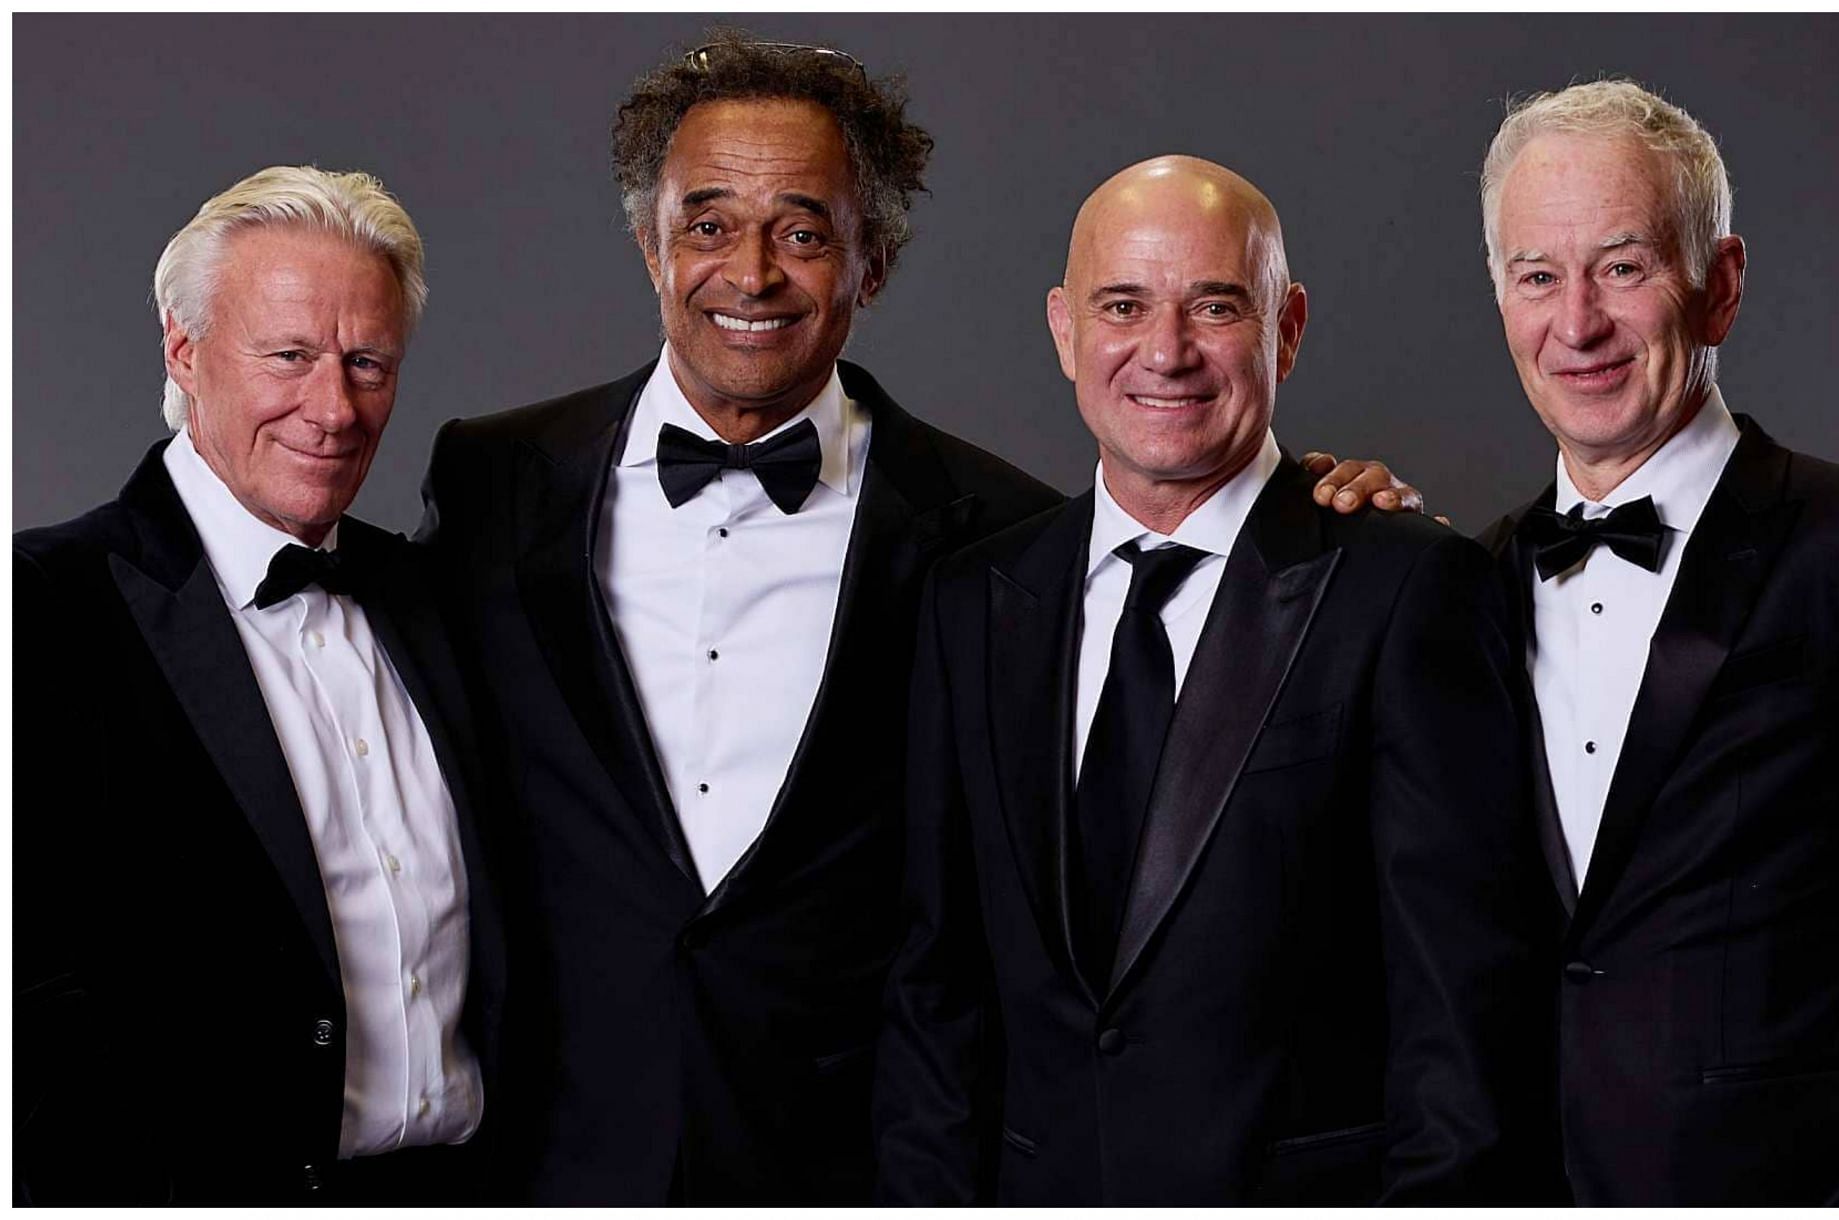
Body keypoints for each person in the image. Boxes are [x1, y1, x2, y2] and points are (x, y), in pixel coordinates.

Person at [414, 35, 1061, 1204]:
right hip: (538, 1159)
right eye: (708, 224)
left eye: (804, 230)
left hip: (848, 1166)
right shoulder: (492, 481)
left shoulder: (1002, 534)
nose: (751, 272)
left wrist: (1309, 508)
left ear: (872, 265)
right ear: (650, 244)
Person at [870, 155, 1555, 1205]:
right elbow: (934, 990)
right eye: (1122, 304)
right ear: (1064, 329)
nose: (1167, 351)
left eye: (1217, 304)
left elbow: (1461, 1017)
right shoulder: (974, 599)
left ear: (1287, 326)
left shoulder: (1406, 587)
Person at [14, 166, 505, 1204]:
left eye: (366, 361)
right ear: (184, 350)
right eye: (288, 355)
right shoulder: (41, 606)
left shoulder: (439, 598)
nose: (333, 408)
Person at [1475, 80, 1839, 1205]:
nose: (1577, 323)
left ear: (1720, 285)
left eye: (1623, 267)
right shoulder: (1459, 583)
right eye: (1537, 277)